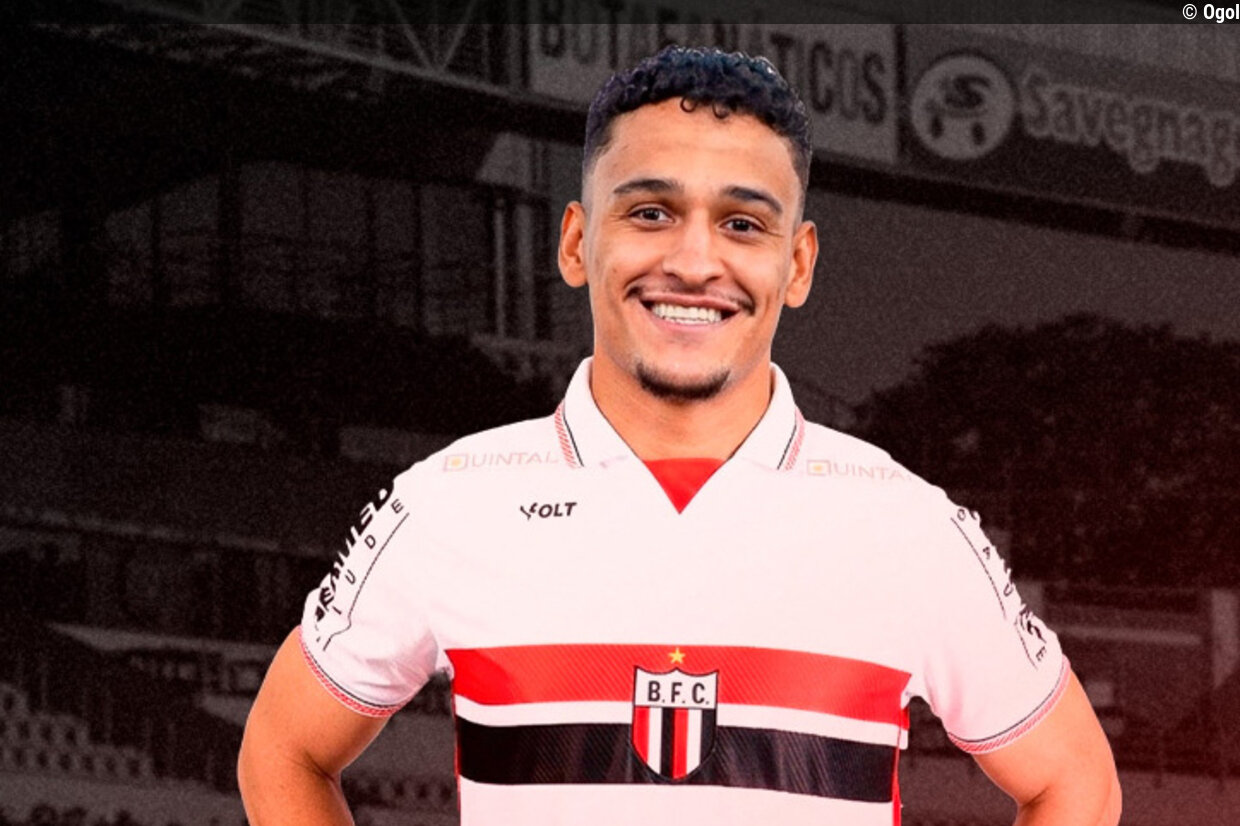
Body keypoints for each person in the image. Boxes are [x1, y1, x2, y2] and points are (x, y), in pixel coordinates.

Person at [237, 46, 1121, 825]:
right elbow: (283, 749)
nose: (695, 262)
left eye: (742, 223)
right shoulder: (449, 501)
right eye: (651, 212)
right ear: (576, 243)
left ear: (797, 263)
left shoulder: (908, 524)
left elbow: (1074, 782)